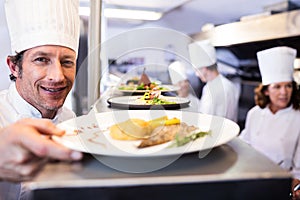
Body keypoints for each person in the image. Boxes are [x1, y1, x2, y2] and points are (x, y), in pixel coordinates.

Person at [0, 0, 83, 199]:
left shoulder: (70, 120)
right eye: (41, 60)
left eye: (67, 62)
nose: (58, 76)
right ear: (14, 67)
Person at [239, 46, 300, 199]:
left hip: (281, 183)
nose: (284, 92)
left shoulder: (298, 116)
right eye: (277, 87)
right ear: (266, 90)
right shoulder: (254, 113)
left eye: (288, 85)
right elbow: (244, 144)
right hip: (252, 178)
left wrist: (296, 184)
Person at [188, 40, 239, 122]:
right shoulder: (229, 85)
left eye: (197, 71)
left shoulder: (213, 89)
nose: (197, 74)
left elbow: (205, 118)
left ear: (204, 69)